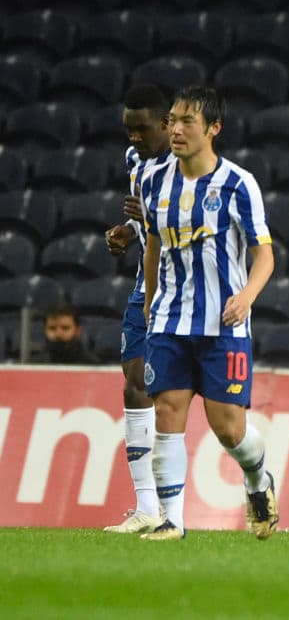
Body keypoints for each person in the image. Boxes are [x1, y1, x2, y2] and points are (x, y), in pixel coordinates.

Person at [139, 86, 278, 541]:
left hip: (224, 323)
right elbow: (155, 244)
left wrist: (247, 296)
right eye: (172, 121)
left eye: (188, 122)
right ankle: (171, 521)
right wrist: (150, 298)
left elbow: (264, 255)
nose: (175, 130)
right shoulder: (153, 181)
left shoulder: (238, 184)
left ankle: (258, 479)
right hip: (168, 321)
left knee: (229, 429)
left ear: (213, 128)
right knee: (167, 410)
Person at [102, 84, 172, 534]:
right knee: (134, 381)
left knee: (212, 409)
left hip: (185, 287)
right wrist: (129, 231)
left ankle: (254, 477)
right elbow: (143, 218)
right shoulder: (135, 161)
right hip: (147, 283)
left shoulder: (186, 165)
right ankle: (147, 506)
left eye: (141, 128)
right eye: (128, 130)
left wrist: (145, 217)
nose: (134, 138)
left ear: (166, 123)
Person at [30, 301, 101, 364]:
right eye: (52, 328)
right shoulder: (34, 365)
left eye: (65, 328)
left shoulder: (92, 365)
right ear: (45, 331)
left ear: (77, 331)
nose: (58, 334)